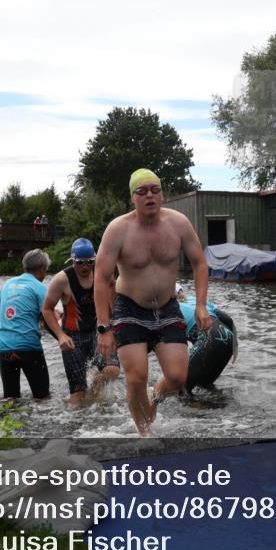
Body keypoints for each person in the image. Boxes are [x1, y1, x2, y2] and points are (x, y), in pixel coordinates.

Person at [94, 168, 212, 435]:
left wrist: (201, 305)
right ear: (132, 197)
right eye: (142, 191)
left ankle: (156, 396)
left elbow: (200, 263)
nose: (150, 195)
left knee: (177, 377)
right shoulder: (118, 229)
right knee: (136, 378)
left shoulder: (178, 223)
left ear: (162, 195)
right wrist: (104, 328)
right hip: (129, 308)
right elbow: (101, 278)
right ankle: (145, 436)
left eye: (155, 190)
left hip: (167, 307)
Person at [41, 238, 121, 405]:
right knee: (77, 397)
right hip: (72, 338)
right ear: (72, 261)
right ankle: (81, 416)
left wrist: (113, 317)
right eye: (80, 263)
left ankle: (93, 395)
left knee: (112, 370)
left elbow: (112, 285)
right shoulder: (62, 280)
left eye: (90, 262)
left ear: (95, 259)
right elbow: (47, 309)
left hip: (96, 333)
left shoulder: (102, 272)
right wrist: (60, 335)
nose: (85, 267)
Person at [0, 249, 52, 401]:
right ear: (42, 269)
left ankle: (9, 424)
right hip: (28, 347)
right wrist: (63, 339)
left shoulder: (6, 284)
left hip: (4, 347)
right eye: (46, 270)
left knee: (10, 399)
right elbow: (49, 322)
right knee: (42, 396)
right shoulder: (41, 288)